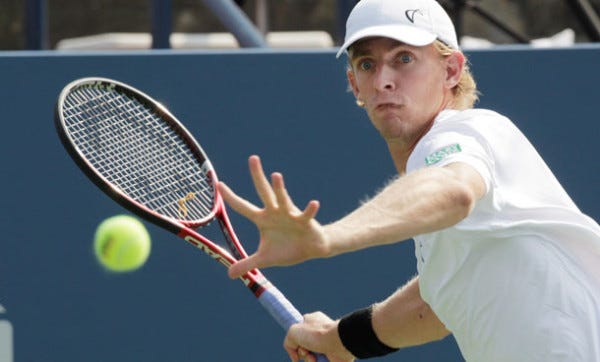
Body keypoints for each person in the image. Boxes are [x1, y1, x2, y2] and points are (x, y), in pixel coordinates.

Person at [218, 0, 600, 360]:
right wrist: (337, 339)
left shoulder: (470, 130)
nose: (384, 79)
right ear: (355, 86)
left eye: (404, 59)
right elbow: (434, 305)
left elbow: (453, 191)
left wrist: (329, 237)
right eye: (367, 65)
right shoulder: (463, 226)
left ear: (451, 70)